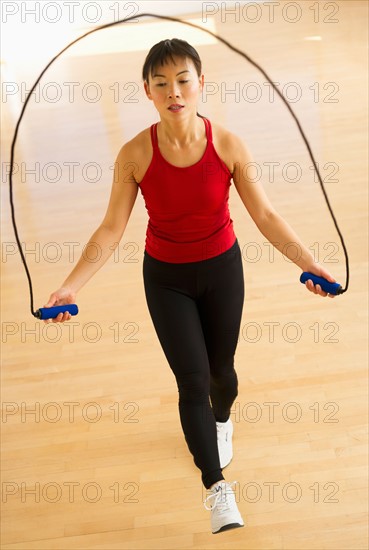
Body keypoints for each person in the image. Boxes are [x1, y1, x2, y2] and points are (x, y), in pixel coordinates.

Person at [43, 39, 337, 534]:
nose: (173, 91)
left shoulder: (228, 145)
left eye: (183, 80)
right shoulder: (135, 153)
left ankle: (222, 421)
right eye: (161, 84)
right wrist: (70, 287)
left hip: (223, 270)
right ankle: (217, 488)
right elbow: (111, 228)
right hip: (166, 280)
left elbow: (263, 214)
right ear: (147, 92)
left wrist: (310, 264)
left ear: (201, 83)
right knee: (192, 381)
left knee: (222, 373)